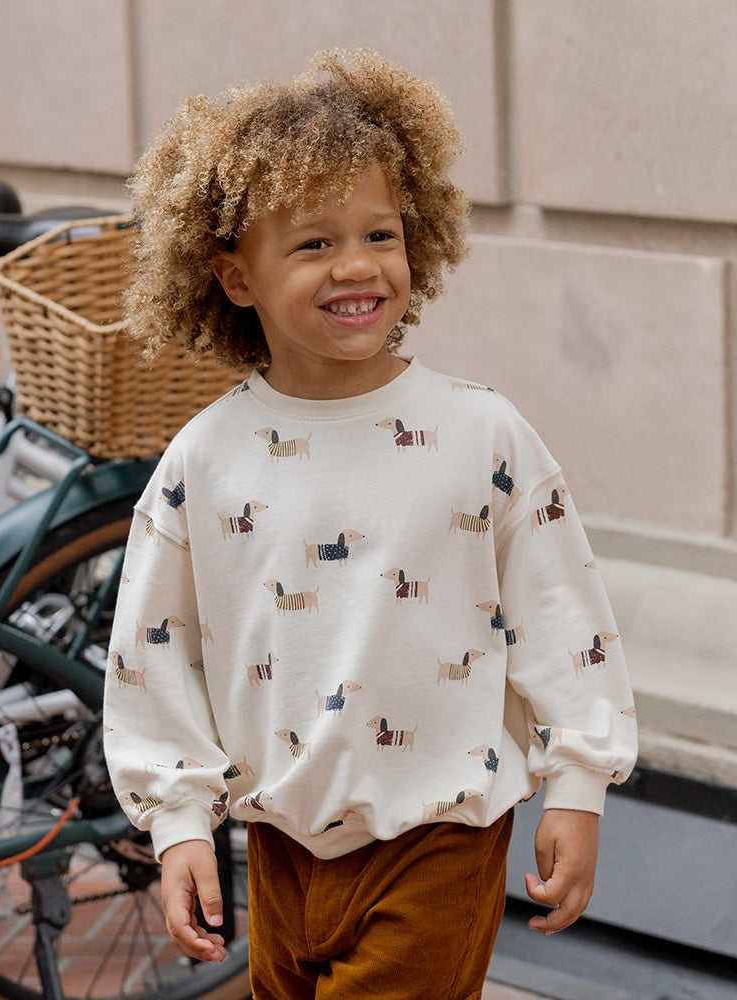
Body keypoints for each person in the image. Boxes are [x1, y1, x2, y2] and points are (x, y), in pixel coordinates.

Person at [103, 48, 638, 1000]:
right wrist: (180, 817)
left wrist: (579, 781)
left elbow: (562, 612)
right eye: (312, 244)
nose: (357, 266)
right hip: (278, 837)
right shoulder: (205, 458)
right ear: (234, 277)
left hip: (439, 832)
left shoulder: (481, 433)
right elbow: (154, 648)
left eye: (380, 234)